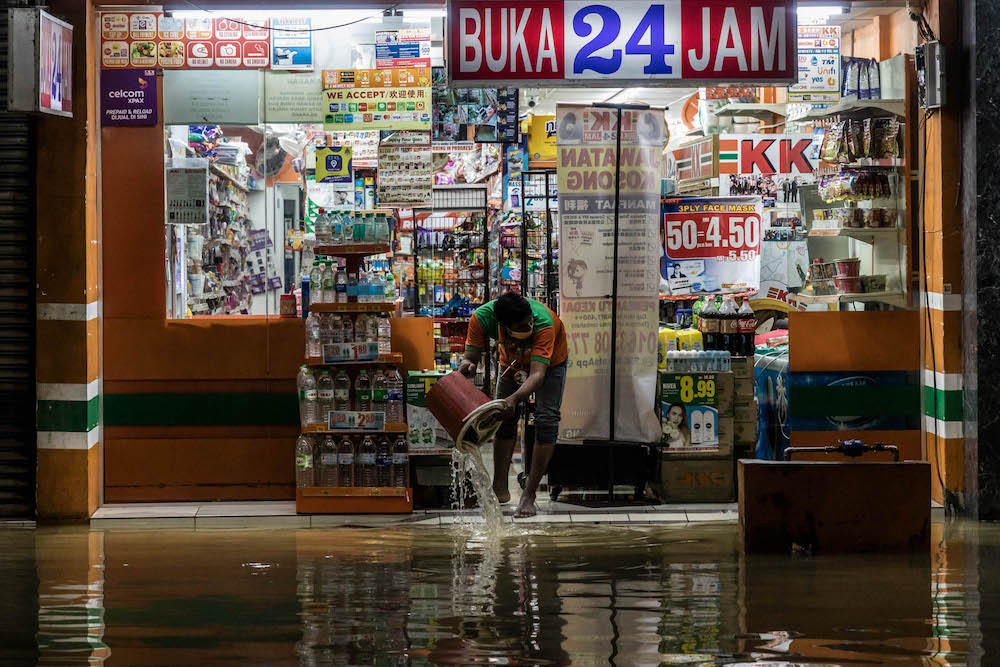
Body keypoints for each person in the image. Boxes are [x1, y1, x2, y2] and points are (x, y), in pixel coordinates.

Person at [457, 292, 568, 517]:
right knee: (503, 418)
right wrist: (467, 365)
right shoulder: (481, 318)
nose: (529, 325)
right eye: (521, 325)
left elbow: (538, 375)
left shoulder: (544, 323)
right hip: (512, 362)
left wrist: (514, 399)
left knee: (547, 420)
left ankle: (529, 494)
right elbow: (471, 356)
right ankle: (500, 488)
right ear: (503, 326)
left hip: (550, 364)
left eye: (529, 320)